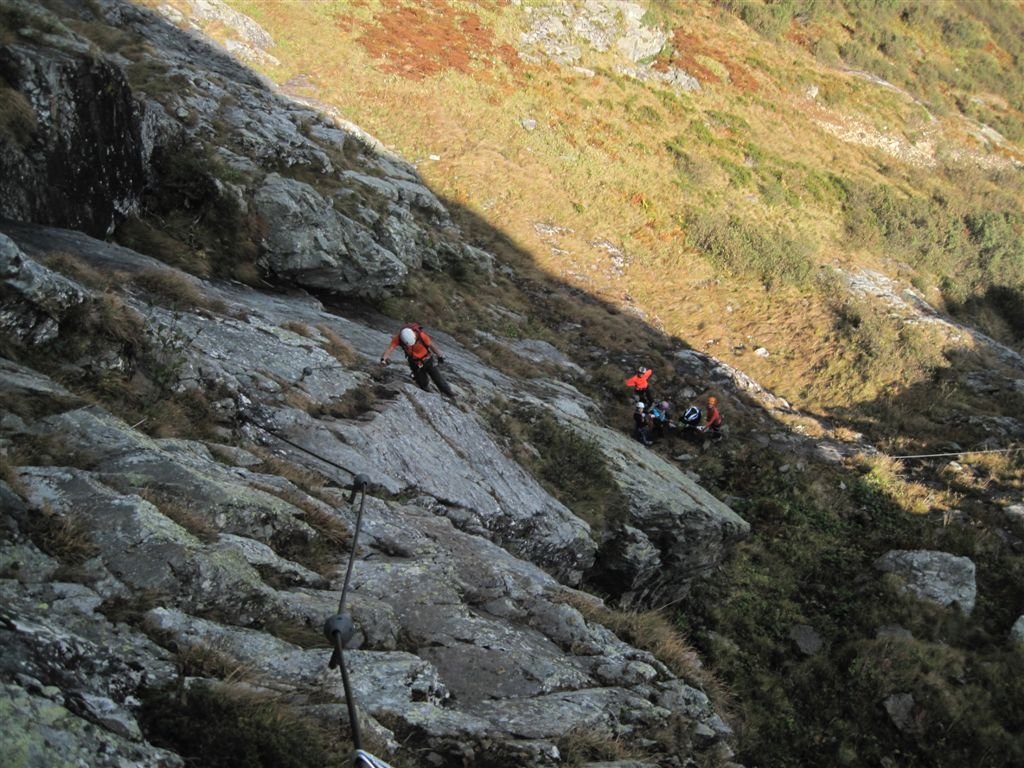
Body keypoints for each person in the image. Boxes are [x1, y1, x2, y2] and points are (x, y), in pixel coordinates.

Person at [380, 323, 454, 397]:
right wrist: (383, 359)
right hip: (415, 363)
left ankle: (449, 394)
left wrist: (440, 355)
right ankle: (428, 393)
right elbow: (390, 349)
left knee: (438, 378)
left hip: (427, 360)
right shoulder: (399, 339)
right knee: (422, 382)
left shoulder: (421, 335)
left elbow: (431, 345)